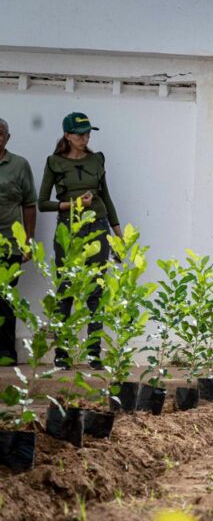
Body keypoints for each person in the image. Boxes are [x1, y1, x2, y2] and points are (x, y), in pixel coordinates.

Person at [38, 112, 122, 368]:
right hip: (69, 229)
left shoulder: (97, 159)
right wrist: (73, 204)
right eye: (79, 134)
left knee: (96, 290)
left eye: (87, 133)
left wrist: (118, 235)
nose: (84, 138)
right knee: (66, 291)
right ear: (67, 135)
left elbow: (106, 197)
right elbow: (42, 204)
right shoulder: (54, 162)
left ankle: (94, 354)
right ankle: (62, 355)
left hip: (98, 226)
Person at [0, 118, 38, 365]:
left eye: (0, 133)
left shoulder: (20, 165)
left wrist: (28, 240)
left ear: (7, 137)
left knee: (5, 301)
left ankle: (5, 353)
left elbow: (29, 204)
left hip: (9, 244)